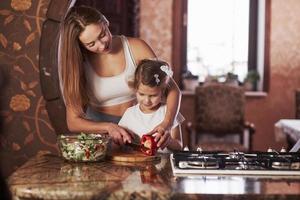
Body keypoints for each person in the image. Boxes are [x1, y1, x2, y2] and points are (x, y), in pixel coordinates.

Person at [59, 6, 181, 148]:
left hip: (140, 126)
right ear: (80, 45)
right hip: (102, 135)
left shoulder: (136, 47)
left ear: (106, 22)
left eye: (102, 34)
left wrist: (166, 123)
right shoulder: (78, 65)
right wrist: (108, 127)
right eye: (91, 44)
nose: (101, 45)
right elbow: (73, 122)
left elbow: (173, 90)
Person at [118, 59, 184, 151]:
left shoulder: (169, 112)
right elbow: (118, 142)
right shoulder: (129, 114)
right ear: (135, 89)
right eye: (141, 94)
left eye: (153, 95)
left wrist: (169, 141)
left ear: (163, 91)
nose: (147, 100)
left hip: (165, 164)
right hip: (136, 164)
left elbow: (179, 146)